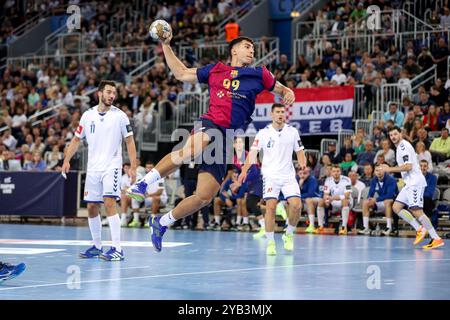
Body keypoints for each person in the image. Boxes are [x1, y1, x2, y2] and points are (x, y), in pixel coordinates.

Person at [127, 35, 295, 252]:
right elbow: (181, 73)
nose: (252, 51)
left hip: (228, 137)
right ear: (234, 51)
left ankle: (161, 222)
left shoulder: (259, 74)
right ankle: (143, 183)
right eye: (247, 47)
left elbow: (280, 89)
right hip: (211, 123)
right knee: (189, 150)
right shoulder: (216, 70)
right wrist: (166, 45)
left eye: (253, 48)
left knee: (203, 197)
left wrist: (287, 91)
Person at [62, 80, 138, 261]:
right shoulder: (87, 116)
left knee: (109, 201)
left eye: (114, 93)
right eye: (109, 92)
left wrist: (133, 166)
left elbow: (129, 141)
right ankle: (97, 246)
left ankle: (118, 249)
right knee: (91, 206)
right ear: (99, 93)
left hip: (111, 166)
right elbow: (75, 140)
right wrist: (66, 160)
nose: (112, 95)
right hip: (93, 168)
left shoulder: (120, 116)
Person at [239, 103, 306, 255]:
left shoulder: (292, 132)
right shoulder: (263, 133)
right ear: (272, 114)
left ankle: (288, 234)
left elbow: (300, 151)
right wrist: (244, 171)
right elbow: (252, 154)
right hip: (270, 176)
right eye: (277, 112)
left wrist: (302, 162)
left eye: (283, 112)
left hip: (288, 175)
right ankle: (270, 242)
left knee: (296, 206)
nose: (281, 114)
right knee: (270, 207)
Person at [381, 126, 444, 249]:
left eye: (395, 134)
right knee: (396, 207)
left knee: (417, 211)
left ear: (401, 134)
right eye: (391, 135)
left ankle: (436, 238)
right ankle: (419, 228)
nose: (393, 137)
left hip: (415, 182)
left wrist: (389, 169)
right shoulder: (399, 147)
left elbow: (408, 166)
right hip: (409, 183)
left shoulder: (403, 146)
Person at [359, 164, 398, 235]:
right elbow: (370, 193)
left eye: (381, 170)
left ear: (384, 171)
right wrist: (369, 199)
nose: (379, 172)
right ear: (374, 172)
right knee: (365, 202)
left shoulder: (391, 179)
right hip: (381, 201)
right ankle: (366, 228)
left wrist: (376, 199)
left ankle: (389, 228)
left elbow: (390, 195)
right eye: (377, 170)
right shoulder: (374, 179)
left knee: (387, 201)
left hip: (393, 203)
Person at [316, 165, 352, 235]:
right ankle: (320, 226)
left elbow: (347, 195)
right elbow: (326, 194)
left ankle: (344, 228)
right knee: (321, 201)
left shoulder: (347, 180)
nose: (336, 173)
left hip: (346, 202)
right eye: (334, 171)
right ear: (331, 172)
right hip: (333, 202)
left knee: (345, 200)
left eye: (338, 171)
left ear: (340, 172)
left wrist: (333, 198)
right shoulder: (327, 180)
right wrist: (326, 200)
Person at [298, 167, 320, 233]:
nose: (302, 175)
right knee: (292, 202)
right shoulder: (297, 180)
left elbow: (311, 193)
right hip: (303, 200)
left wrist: (298, 196)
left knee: (308, 200)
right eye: (300, 173)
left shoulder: (312, 179)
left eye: (305, 173)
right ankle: (289, 224)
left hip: (316, 199)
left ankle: (311, 225)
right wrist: (299, 185)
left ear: (308, 173)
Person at [420, 160, 439, 229]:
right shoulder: (414, 177)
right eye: (421, 166)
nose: (423, 168)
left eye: (425, 166)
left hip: (427, 201)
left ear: (427, 167)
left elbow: (429, 193)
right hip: (416, 201)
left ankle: (426, 227)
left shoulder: (433, 178)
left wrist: (419, 196)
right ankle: (394, 228)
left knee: (426, 199)